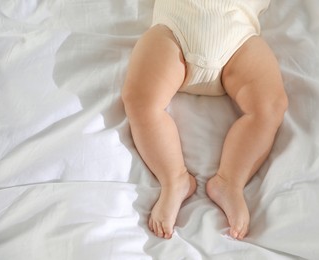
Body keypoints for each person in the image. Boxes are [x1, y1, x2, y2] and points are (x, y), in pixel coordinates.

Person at [122, 0, 288, 240]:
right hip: (175, 32)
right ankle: (174, 179)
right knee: (139, 99)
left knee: (271, 106)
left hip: (238, 41)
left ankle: (230, 182)